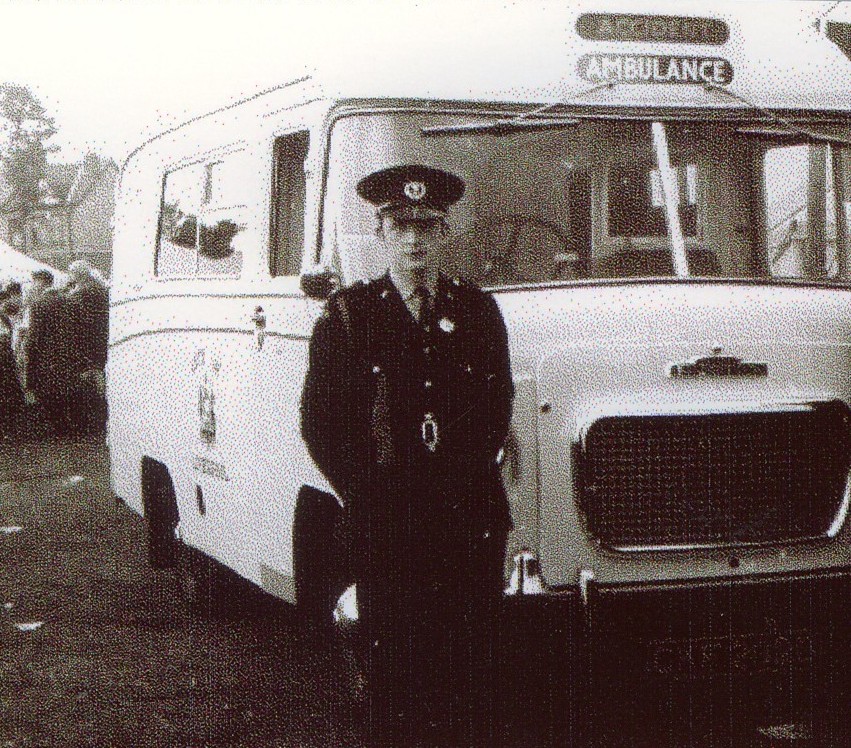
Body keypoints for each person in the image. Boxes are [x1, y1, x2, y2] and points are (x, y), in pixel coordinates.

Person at [301, 164, 514, 747]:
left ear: (444, 232)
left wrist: (456, 483)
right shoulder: (349, 316)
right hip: (387, 525)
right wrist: (370, 495)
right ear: (380, 232)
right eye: (401, 227)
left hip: (466, 520)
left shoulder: (477, 311)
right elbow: (322, 425)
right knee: (396, 675)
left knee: (471, 670)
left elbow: (496, 406)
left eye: (427, 226)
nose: (415, 240)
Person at [65, 260, 109, 436]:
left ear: (78, 274)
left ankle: (90, 423)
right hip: (100, 341)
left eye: (72, 273)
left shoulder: (83, 292)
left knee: (88, 383)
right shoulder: (99, 289)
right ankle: (100, 419)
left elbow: (75, 318)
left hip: (86, 343)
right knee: (99, 381)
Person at [0, 288, 25, 439]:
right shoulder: (4, 319)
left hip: (5, 361)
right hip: (6, 360)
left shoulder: (4, 318)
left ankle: (8, 430)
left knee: (7, 395)